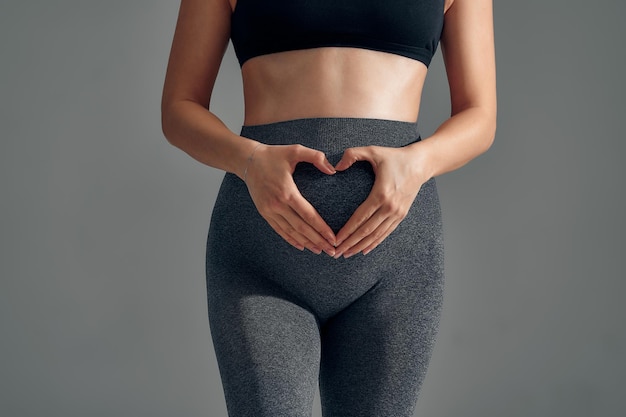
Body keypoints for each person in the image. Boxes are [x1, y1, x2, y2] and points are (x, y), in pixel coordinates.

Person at [161, 0, 496, 415]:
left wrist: (417, 164)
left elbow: (480, 115)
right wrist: (249, 161)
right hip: (263, 257)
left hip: (395, 260)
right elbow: (179, 107)